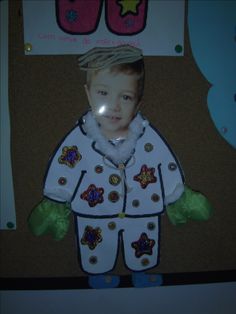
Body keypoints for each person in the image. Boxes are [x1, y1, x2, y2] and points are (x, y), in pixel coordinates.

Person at [28, 45, 212, 288]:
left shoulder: (147, 136)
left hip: (142, 209)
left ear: (137, 102)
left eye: (125, 97)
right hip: (94, 211)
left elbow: (166, 164)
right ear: (88, 93)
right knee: (94, 243)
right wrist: (55, 201)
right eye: (103, 93)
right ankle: (97, 273)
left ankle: (142, 271)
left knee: (144, 240)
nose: (114, 106)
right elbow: (64, 168)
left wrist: (177, 195)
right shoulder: (80, 138)